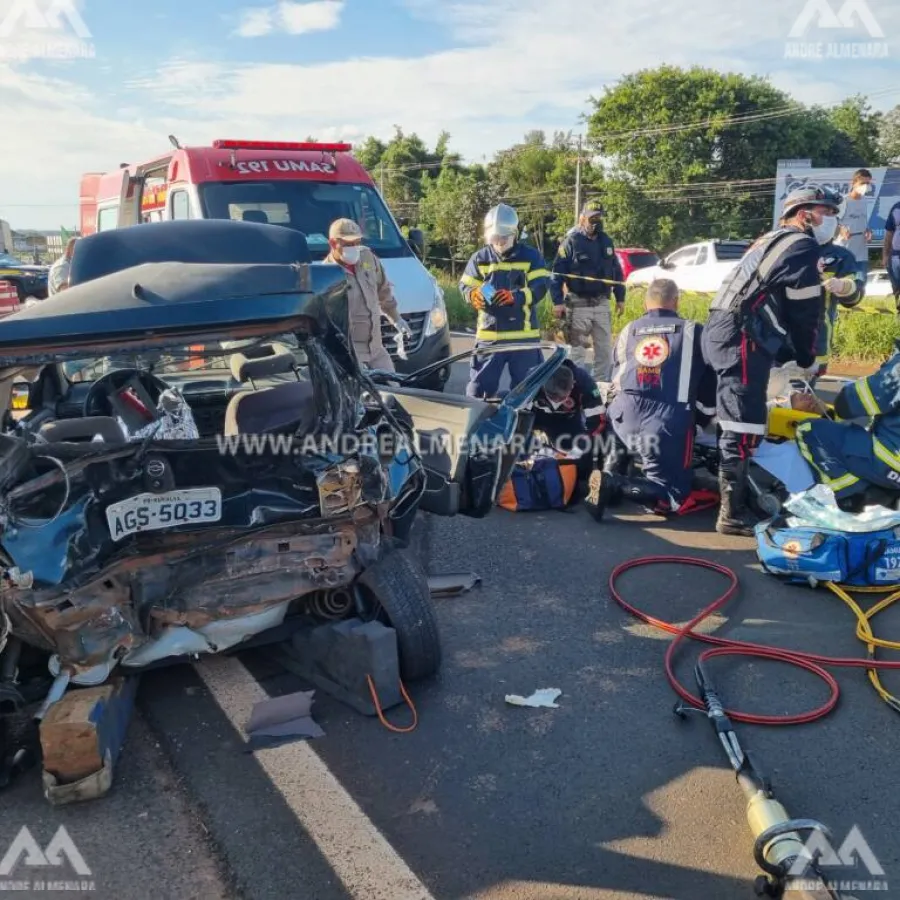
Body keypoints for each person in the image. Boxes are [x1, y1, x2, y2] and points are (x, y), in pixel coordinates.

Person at [702, 186, 836, 537]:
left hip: (726, 328)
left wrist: (784, 351)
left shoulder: (767, 240)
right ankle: (731, 514)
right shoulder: (802, 245)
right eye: (826, 213)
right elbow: (806, 310)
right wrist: (807, 354)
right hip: (742, 335)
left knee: (737, 415)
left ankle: (737, 499)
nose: (830, 221)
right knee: (744, 423)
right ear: (804, 213)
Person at [586, 278, 717, 520]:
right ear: (676, 301)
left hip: (621, 415)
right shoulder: (694, 331)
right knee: (673, 497)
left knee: (621, 439)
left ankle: (609, 479)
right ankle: (614, 485)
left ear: (646, 303)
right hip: (664, 422)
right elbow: (710, 382)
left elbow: (617, 371)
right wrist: (702, 418)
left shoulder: (628, 329)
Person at [459, 204, 550, 398]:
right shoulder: (480, 258)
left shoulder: (531, 257)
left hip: (523, 337)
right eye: (495, 238)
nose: (499, 242)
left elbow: (540, 287)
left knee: (527, 394)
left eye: (502, 238)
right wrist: (472, 295)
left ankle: (523, 426)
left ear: (514, 234)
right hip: (490, 336)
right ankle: (477, 427)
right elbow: (465, 285)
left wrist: (515, 297)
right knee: (477, 392)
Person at [795, 340, 900, 505]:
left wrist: (834, 405)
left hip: (892, 463)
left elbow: (849, 405)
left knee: (810, 430)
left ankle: (854, 499)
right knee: (854, 433)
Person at [549, 200, 626, 382]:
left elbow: (616, 271)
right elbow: (556, 274)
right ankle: (576, 388)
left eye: (599, 217)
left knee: (604, 352)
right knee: (577, 353)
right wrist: (557, 302)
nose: (596, 222)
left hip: (602, 303)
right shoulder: (571, 242)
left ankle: (600, 389)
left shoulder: (606, 241)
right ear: (582, 218)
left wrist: (620, 298)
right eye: (592, 218)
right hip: (578, 305)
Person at [325, 218, 411, 372]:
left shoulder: (368, 258)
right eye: (348, 244)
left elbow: (383, 290)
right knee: (362, 394)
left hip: (376, 349)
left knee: (393, 390)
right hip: (350, 353)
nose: (354, 248)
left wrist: (396, 318)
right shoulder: (326, 275)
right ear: (333, 244)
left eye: (357, 242)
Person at [528, 360, 607, 480]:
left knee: (580, 457)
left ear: (573, 385)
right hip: (536, 415)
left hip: (567, 419)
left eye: (562, 397)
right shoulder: (532, 379)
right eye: (553, 396)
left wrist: (580, 446)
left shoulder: (585, 383)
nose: (556, 401)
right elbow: (518, 414)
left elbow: (597, 421)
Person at [836, 168, 873, 290]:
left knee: (860, 284)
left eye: (868, 183)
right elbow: (833, 222)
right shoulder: (843, 201)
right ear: (853, 183)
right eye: (862, 183)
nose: (865, 187)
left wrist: (868, 231)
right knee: (839, 284)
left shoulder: (865, 201)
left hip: (861, 250)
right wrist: (841, 229)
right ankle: (832, 309)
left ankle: (852, 306)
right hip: (845, 250)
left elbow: (864, 221)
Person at [884, 197, 900, 312]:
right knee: (897, 289)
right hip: (895, 257)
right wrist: (885, 255)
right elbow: (889, 234)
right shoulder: (896, 207)